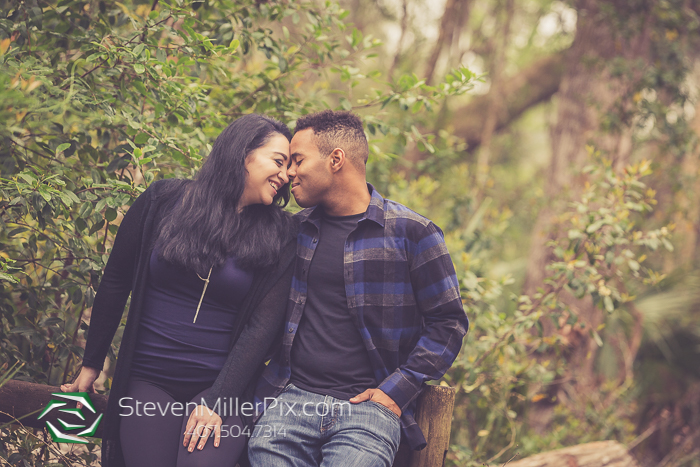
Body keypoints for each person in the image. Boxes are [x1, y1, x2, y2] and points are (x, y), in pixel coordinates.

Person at [61, 114, 298, 467]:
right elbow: (115, 280)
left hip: (223, 389)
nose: (286, 174)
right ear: (241, 153)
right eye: (278, 161)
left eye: (290, 166)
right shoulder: (163, 201)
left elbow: (261, 328)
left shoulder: (280, 232)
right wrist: (91, 363)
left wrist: (217, 401)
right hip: (148, 382)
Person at [245, 110, 470, 467]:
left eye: (298, 160)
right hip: (290, 401)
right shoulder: (294, 231)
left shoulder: (413, 233)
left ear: (336, 159)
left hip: (368, 412)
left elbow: (448, 323)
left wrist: (396, 392)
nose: (288, 173)